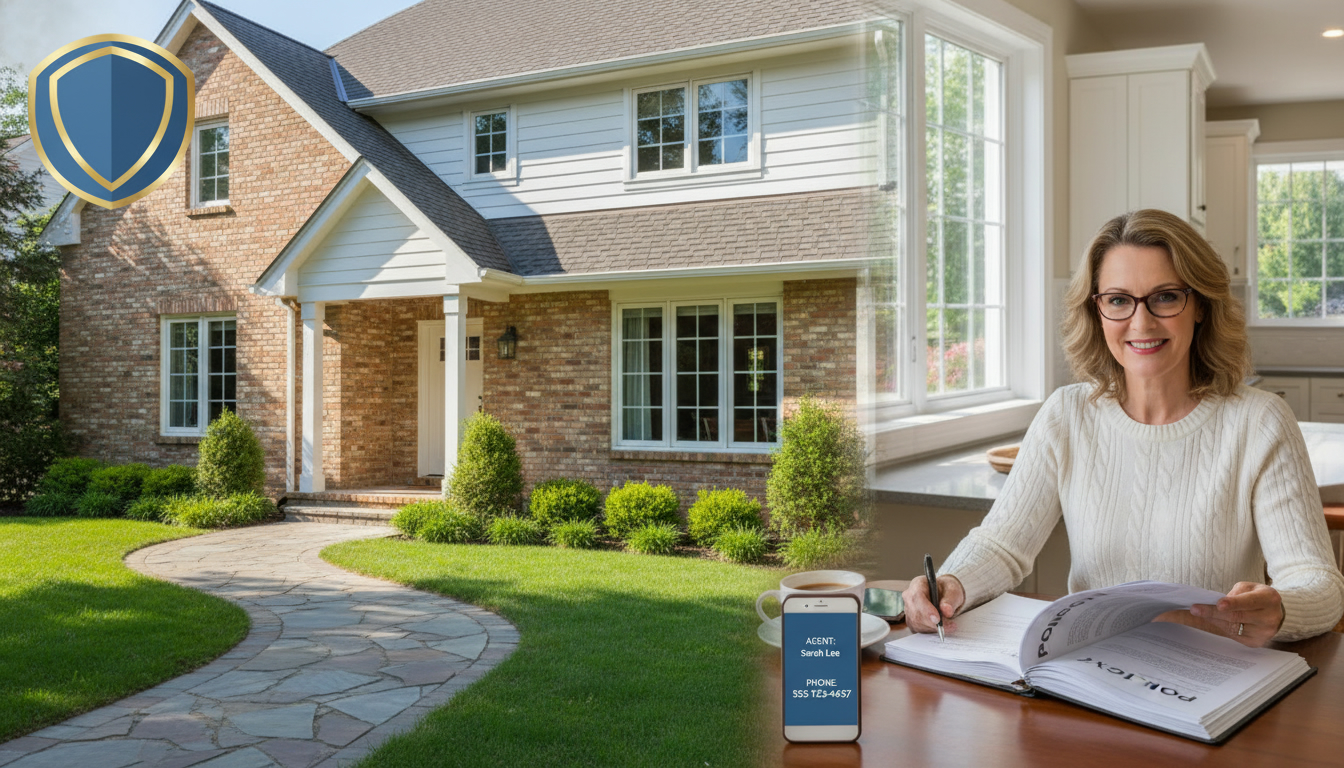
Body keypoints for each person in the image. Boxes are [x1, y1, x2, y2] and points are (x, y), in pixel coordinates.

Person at [903, 209, 1344, 647]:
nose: (1141, 322)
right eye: (1118, 300)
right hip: (1091, 671)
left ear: (1202, 307)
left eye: (1166, 297)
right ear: (1096, 311)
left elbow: (1318, 584)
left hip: (1212, 677)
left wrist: (1281, 608)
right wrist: (951, 582)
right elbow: (1002, 544)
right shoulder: (1066, 414)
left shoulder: (1260, 421)